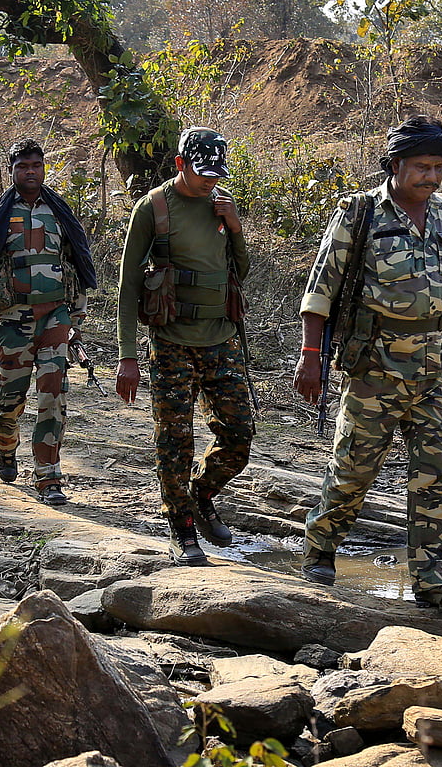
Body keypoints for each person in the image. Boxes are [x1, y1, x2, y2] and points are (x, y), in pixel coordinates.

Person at [293, 116, 442, 617]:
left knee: (437, 475)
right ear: (395, 165)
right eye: (422, 166)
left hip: (433, 367)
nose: (432, 177)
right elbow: (321, 290)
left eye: (438, 167)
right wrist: (311, 357)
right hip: (374, 366)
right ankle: (320, 547)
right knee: (354, 469)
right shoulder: (359, 213)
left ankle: (435, 582)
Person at [115, 127, 253, 566]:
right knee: (175, 441)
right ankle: (183, 529)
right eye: (201, 174)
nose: (209, 182)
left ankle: (200, 492)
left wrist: (234, 226)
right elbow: (128, 285)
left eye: (216, 174)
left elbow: (242, 271)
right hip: (172, 342)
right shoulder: (153, 207)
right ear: (180, 165)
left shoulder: (221, 203)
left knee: (239, 436)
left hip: (220, 339)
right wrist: (127, 357)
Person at [0, 138, 96, 506]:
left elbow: (76, 265)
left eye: (36, 165)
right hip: (14, 322)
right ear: (12, 170)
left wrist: (76, 318)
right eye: (22, 167)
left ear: (43, 168)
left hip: (55, 318)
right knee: (8, 405)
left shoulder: (59, 211)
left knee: (53, 397)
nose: (30, 172)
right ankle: (5, 445)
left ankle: (49, 479)